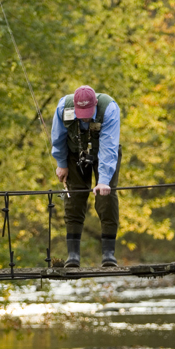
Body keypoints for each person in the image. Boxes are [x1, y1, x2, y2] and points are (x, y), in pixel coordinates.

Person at [51, 85, 121, 268]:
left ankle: (108, 254)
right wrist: (61, 164)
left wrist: (104, 181)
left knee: (106, 197)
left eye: (88, 112)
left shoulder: (109, 109)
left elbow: (109, 146)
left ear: (95, 103)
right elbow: (57, 137)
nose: (84, 117)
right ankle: (72, 255)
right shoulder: (62, 108)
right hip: (74, 153)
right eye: (81, 112)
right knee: (74, 198)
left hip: (104, 154)